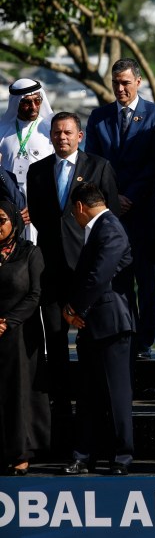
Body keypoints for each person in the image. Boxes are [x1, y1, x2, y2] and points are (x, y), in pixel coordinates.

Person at [26, 112, 119, 420]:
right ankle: (61, 413)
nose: (61, 137)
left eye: (67, 132)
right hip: (51, 271)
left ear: (80, 136)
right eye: (56, 133)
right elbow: (40, 216)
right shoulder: (37, 171)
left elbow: (110, 216)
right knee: (55, 340)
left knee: (91, 342)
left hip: (87, 270)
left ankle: (95, 412)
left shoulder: (99, 166)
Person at [84, 58, 155, 360]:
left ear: (138, 82)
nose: (120, 88)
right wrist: (113, 197)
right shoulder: (99, 117)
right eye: (116, 83)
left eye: (125, 82)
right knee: (118, 277)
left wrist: (130, 195)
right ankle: (125, 336)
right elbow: (93, 162)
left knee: (145, 279)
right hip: (110, 210)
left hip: (143, 208)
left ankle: (145, 340)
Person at [59, 183, 135, 476]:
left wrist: (72, 308)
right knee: (88, 395)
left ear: (79, 207)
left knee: (117, 395)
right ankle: (84, 456)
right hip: (92, 323)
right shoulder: (101, 227)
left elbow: (99, 275)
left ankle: (122, 457)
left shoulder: (110, 227)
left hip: (112, 323)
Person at [0, 199, 45, 476]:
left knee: (18, 393)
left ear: (14, 221)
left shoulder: (29, 252)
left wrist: (7, 322)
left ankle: (21, 453)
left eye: (1, 219)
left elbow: (36, 294)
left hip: (19, 335)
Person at [0, 78, 55, 243]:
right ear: (16, 103)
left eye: (37, 101)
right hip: (10, 208)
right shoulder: (2, 131)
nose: (33, 107)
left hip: (44, 204)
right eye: (26, 103)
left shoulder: (50, 130)